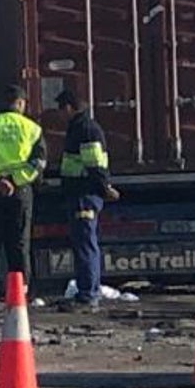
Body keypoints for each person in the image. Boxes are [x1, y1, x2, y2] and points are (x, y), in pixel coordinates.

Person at [0, 85, 47, 310]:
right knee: (19, 243)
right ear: (21, 103)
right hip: (20, 192)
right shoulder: (32, 128)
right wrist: (15, 181)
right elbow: (39, 163)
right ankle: (19, 295)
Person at [57, 90, 119, 308]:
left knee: (85, 244)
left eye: (61, 109)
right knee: (84, 243)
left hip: (84, 194)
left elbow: (94, 164)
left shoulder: (85, 129)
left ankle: (88, 294)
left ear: (69, 107)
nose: (60, 114)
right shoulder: (81, 127)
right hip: (81, 193)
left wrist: (104, 188)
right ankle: (88, 291)